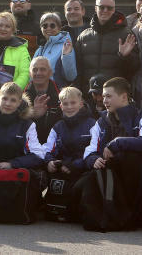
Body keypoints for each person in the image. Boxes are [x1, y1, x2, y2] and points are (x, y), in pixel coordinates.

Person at [79, 76, 142, 228]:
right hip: (110, 175)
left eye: (109, 96)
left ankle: (132, 216)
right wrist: (93, 159)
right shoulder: (101, 122)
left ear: (123, 97)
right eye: (104, 96)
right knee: (83, 181)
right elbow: (90, 149)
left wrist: (117, 143)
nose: (104, 100)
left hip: (137, 178)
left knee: (133, 158)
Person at [40, 86, 96, 219]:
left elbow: (94, 151)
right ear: (61, 106)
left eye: (73, 103)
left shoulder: (92, 124)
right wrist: (50, 162)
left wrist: (74, 166)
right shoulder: (57, 126)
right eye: (65, 103)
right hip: (61, 168)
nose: (69, 106)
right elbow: (48, 150)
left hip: (82, 170)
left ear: (81, 104)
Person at [77, 0, 139, 91]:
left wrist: (125, 57)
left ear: (114, 10)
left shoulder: (126, 34)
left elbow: (134, 70)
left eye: (109, 8)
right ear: (95, 8)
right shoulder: (83, 36)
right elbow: (78, 70)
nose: (105, 10)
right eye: (101, 7)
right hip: (89, 94)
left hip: (115, 95)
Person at [0, 11, 32, 89]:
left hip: (10, 96)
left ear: (13, 29)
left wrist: (10, 92)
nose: (3, 29)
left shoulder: (21, 49)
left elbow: (25, 74)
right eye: (0, 25)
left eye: (7, 26)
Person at [33, 12, 77, 89]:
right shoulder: (39, 50)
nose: (48, 28)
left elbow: (70, 76)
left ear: (59, 28)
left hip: (56, 92)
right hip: (38, 92)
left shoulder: (66, 46)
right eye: (45, 26)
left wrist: (66, 56)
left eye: (52, 25)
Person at [26, 57, 61, 144]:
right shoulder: (20, 98)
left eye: (42, 69)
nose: (38, 73)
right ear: (30, 74)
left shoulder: (62, 95)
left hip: (56, 146)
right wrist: (33, 115)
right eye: (35, 70)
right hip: (30, 147)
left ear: (50, 73)